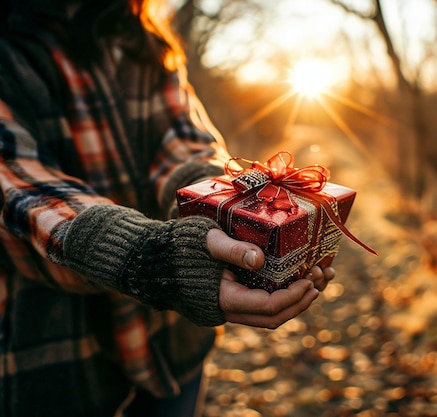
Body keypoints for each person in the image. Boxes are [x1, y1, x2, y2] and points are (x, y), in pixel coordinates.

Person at [0, 0, 336, 416]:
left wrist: (233, 207)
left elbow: (182, 145)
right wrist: (149, 256)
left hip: (173, 345)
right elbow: (21, 187)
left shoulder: (140, 33)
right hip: (55, 357)